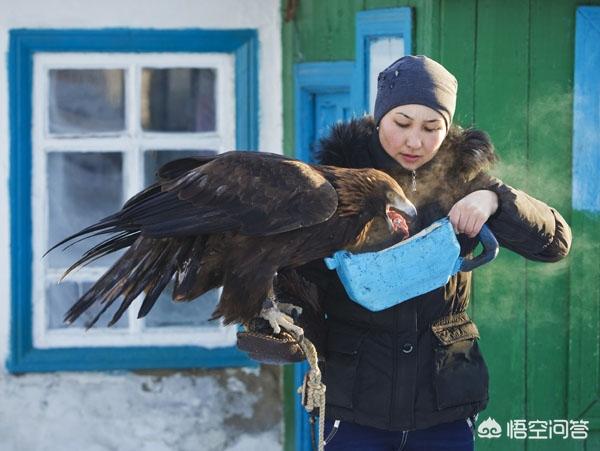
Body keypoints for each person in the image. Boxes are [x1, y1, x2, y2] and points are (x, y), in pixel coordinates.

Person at [291, 55, 573, 450]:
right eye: (402, 123)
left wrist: (495, 199)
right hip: (354, 404)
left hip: (444, 405)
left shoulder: (464, 179)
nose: (414, 141)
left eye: (431, 127)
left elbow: (555, 245)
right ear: (379, 118)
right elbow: (299, 275)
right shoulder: (336, 184)